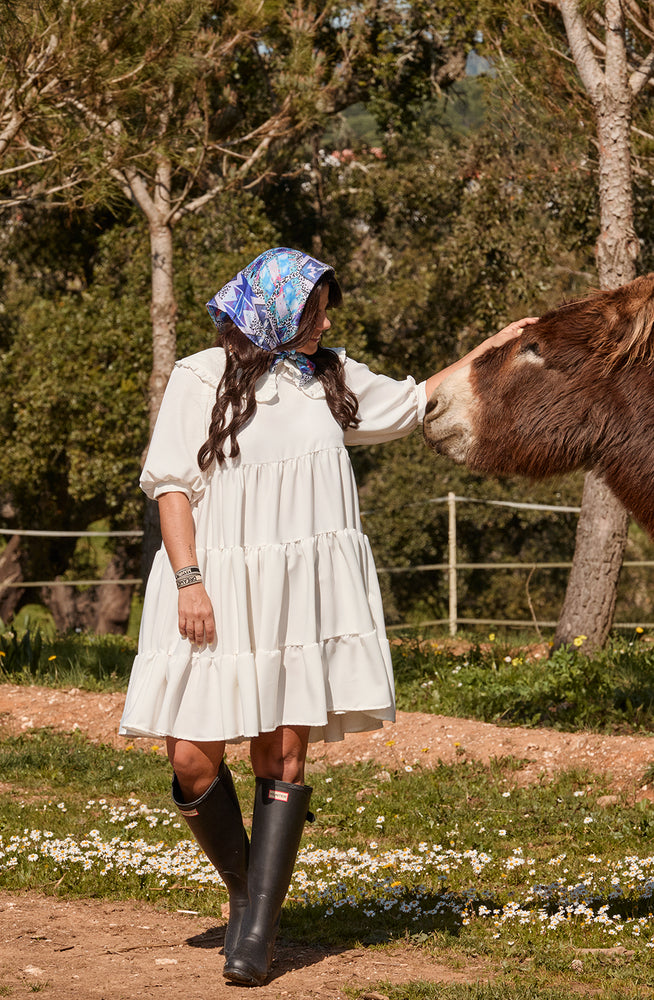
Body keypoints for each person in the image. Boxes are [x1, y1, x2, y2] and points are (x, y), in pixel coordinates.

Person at [119, 247, 535, 986]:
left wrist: (495, 346)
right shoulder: (197, 376)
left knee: (280, 757)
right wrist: (188, 581)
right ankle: (249, 890)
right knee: (191, 758)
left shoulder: (332, 377)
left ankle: (259, 928)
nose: (327, 322)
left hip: (299, 591)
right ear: (275, 311)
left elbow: (418, 399)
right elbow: (171, 486)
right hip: (217, 584)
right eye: (313, 310)